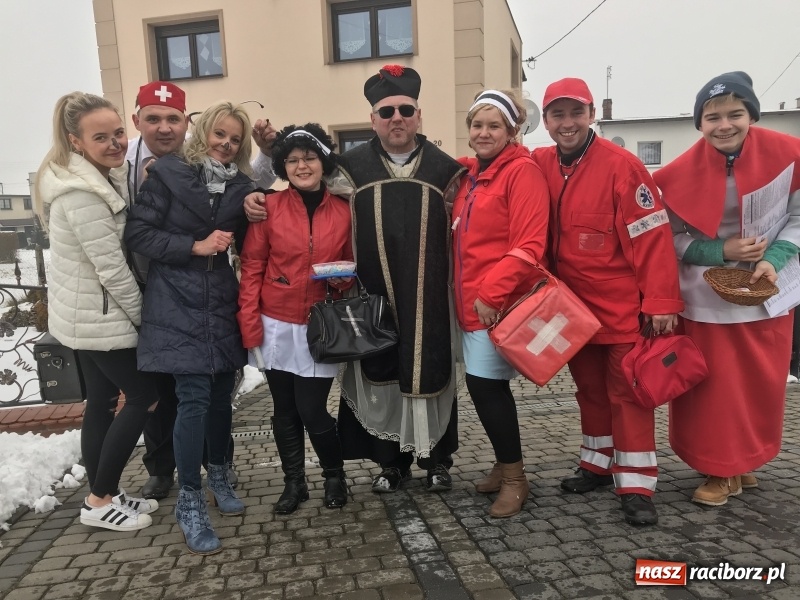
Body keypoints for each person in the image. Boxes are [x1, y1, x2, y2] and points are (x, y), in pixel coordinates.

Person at [244, 65, 465, 493]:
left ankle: (437, 460)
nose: (396, 118)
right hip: (372, 296)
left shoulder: (448, 171)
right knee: (383, 375)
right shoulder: (350, 168)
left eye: (405, 110)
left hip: (429, 297)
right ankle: (391, 463)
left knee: (431, 377)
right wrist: (255, 191)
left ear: (419, 115)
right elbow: (299, 176)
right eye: (386, 112)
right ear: (373, 120)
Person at [531, 78, 684, 525]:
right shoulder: (540, 162)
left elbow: (652, 239)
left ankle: (636, 484)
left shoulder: (623, 167)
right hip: (570, 312)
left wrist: (659, 301)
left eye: (575, 113)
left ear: (592, 114)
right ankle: (597, 464)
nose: (567, 123)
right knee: (591, 393)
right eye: (557, 115)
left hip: (621, 310)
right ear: (545, 121)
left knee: (629, 395)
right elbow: (495, 160)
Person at [653, 71, 800, 506]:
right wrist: (720, 250)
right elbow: (670, 239)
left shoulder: (789, 155)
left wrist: (773, 260)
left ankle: (739, 462)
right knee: (712, 390)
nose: (724, 125)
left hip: (767, 294)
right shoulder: (676, 175)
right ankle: (719, 468)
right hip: (706, 299)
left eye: (735, 114)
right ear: (699, 122)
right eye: (712, 116)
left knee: (759, 385)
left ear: (752, 115)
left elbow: (798, 217)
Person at [127, 81, 278, 500]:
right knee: (192, 398)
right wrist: (192, 246)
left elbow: (252, 243)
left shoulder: (241, 187)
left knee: (217, 398)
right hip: (175, 298)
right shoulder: (169, 174)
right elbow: (138, 233)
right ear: (204, 130)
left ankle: (220, 474)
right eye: (219, 134)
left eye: (235, 139)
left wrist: (255, 212)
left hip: (219, 296)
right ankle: (189, 496)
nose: (226, 144)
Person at [36, 92, 159, 532]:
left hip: (83, 316)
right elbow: (111, 269)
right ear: (76, 141)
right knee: (145, 396)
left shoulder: (97, 178)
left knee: (102, 403)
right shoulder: (82, 194)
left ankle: (104, 490)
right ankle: (98, 499)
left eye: (118, 133)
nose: (115, 143)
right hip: (100, 319)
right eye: (100, 137)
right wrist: (146, 319)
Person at [238, 124, 353, 514]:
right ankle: (294, 483)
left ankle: (334, 475)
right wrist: (249, 322)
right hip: (276, 322)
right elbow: (252, 266)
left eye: (309, 157)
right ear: (282, 167)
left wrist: (343, 277)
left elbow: (355, 265)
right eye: (293, 159)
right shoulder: (267, 206)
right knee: (283, 409)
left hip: (320, 323)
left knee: (312, 409)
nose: (302, 165)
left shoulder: (344, 209)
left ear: (323, 162)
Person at [452, 89, 549, 517]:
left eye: (494, 125)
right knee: (484, 388)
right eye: (477, 125)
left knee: (488, 389)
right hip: (471, 302)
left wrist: (491, 294)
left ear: (512, 131)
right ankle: (501, 463)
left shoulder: (520, 173)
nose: (484, 132)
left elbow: (530, 243)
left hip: (494, 303)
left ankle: (515, 479)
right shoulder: (473, 174)